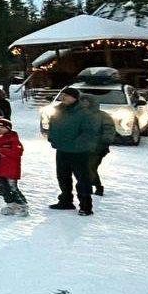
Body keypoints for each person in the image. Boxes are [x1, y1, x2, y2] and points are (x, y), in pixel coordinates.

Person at [46, 87, 99, 216]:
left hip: (79, 152)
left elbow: (89, 132)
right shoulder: (58, 110)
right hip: (62, 150)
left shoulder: (84, 113)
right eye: (62, 95)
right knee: (63, 177)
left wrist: (76, 144)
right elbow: (52, 126)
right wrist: (52, 138)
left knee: (82, 179)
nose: (63, 97)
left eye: (67, 95)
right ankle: (66, 201)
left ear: (75, 98)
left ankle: (85, 206)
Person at [0, 117, 27, 215]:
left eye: (3, 127)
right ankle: (10, 204)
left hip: (10, 168)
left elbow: (18, 152)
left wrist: (2, 150)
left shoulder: (13, 138)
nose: (0, 129)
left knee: (12, 187)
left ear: (8, 128)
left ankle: (22, 204)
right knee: (1, 186)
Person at [85, 95, 116, 196]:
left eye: (86, 102)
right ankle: (89, 186)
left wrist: (105, 141)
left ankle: (97, 187)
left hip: (97, 148)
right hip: (81, 147)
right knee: (85, 168)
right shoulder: (79, 115)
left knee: (90, 167)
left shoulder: (102, 116)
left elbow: (109, 128)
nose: (84, 104)